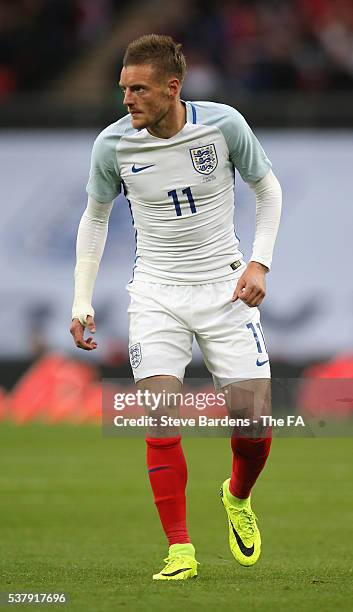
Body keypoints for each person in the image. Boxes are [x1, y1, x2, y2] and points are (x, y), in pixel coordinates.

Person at [70, 34, 282, 581]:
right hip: (156, 293)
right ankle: (180, 550)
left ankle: (237, 497)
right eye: (123, 89)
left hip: (225, 287)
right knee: (160, 412)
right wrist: (82, 299)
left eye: (138, 89)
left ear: (172, 87)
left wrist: (259, 263)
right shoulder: (112, 146)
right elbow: (94, 219)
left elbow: (268, 188)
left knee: (254, 423)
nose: (127, 100)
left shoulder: (224, 126)